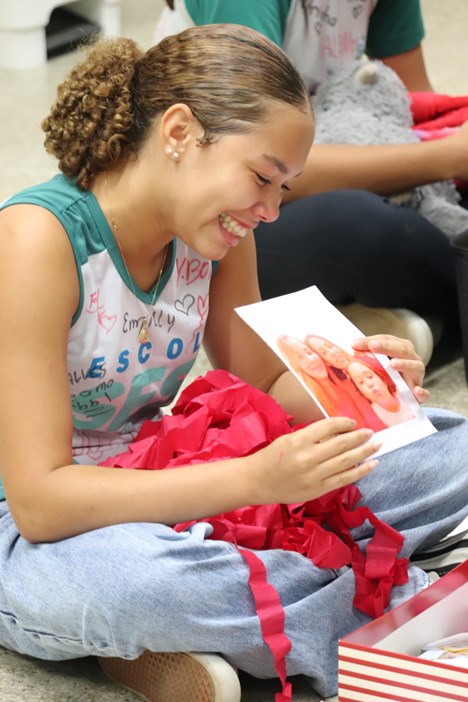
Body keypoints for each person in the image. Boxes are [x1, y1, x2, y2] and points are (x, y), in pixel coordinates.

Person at [0, 23, 467, 702]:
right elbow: (41, 504)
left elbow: (267, 385)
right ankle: (410, 625)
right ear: (180, 133)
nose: (272, 211)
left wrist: (355, 377)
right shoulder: (34, 242)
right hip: (31, 526)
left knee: (445, 443)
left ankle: (203, 631)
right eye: (262, 178)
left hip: (167, 471)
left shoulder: (216, 233)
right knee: (144, 584)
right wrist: (252, 480)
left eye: (284, 187)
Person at [154, 0, 468, 366]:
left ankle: (397, 318)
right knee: (367, 227)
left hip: (283, 180)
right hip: (228, 212)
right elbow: (268, 164)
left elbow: (410, 106)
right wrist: (449, 156)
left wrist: (447, 149)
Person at [277, 334, 387, 431]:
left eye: (309, 352)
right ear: (296, 367)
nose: (311, 359)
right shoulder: (313, 404)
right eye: (300, 358)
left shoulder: (347, 381)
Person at [347, 355, 415, 427]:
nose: (369, 384)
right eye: (361, 382)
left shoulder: (403, 390)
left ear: (381, 377)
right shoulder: (373, 416)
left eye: (370, 376)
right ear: (360, 392)